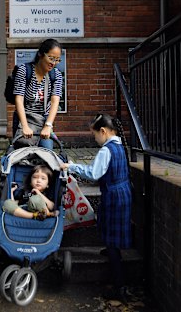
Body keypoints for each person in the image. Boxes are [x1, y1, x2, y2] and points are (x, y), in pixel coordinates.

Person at [60, 113, 133, 303]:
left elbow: (93, 173)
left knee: (112, 239)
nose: (94, 139)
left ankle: (120, 286)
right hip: (123, 192)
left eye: (94, 135)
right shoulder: (119, 145)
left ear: (103, 131)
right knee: (108, 224)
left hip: (113, 195)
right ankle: (111, 249)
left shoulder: (106, 151)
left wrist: (72, 166)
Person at [12, 38, 63, 150]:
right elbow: (19, 100)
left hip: (44, 119)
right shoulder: (24, 70)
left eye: (57, 60)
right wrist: (25, 126)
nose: (53, 63)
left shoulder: (56, 75)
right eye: (51, 58)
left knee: (47, 152)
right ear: (40, 54)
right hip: (25, 118)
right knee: (23, 154)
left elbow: (55, 102)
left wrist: (48, 125)